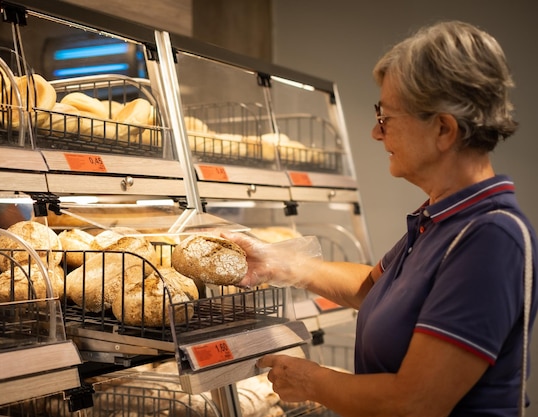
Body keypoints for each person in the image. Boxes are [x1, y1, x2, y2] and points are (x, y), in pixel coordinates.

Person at [224, 21, 538, 417]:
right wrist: (278, 262)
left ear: (443, 129)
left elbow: (415, 403)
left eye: (386, 116)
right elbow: (377, 289)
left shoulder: (490, 239)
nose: (376, 132)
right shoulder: (440, 216)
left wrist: (312, 382)